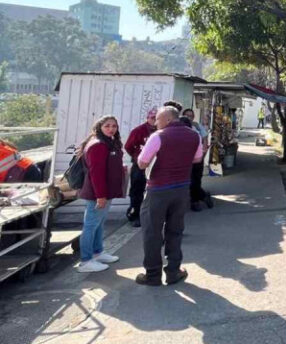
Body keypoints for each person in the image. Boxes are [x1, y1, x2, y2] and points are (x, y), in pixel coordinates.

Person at [136, 106, 203, 286]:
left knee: (152, 232)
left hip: (158, 189)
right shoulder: (194, 135)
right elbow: (197, 159)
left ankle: (152, 274)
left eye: (157, 119)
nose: (156, 123)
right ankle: (173, 272)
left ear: (166, 119)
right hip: (181, 189)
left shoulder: (158, 136)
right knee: (175, 230)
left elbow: (142, 163)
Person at [76, 115, 126, 273]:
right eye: (107, 126)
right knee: (90, 225)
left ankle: (97, 252)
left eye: (114, 126)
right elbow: (96, 173)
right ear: (100, 127)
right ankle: (85, 261)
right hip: (97, 193)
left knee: (99, 223)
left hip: (106, 192)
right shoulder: (98, 145)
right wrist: (100, 196)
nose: (111, 129)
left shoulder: (109, 142)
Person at [123, 107, 157, 228]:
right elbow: (128, 146)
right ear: (148, 118)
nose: (155, 121)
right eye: (152, 118)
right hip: (140, 166)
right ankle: (135, 214)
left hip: (156, 166)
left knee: (153, 191)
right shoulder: (139, 130)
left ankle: (150, 215)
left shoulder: (162, 131)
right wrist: (137, 157)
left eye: (157, 118)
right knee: (137, 189)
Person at [183, 108, 214, 211]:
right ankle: (203, 196)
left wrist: (204, 152)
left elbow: (205, 138)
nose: (189, 117)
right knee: (189, 181)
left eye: (191, 116)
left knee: (195, 181)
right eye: (186, 115)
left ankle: (195, 201)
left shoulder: (196, 126)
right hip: (185, 160)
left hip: (197, 159)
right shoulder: (180, 126)